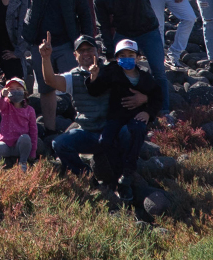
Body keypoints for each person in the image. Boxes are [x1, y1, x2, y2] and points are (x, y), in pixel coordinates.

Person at [9, 0, 94, 132]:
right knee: (46, 89)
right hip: (40, 47)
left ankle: (83, 125)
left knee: (76, 84)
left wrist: (88, 42)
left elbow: (85, 15)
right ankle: (50, 129)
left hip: (67, 45)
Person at [39, 33, 146, 178]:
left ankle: (126, 174)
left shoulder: (112, 71)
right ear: (75, 55)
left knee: (129, 130)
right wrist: (45, 58)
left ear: (98, 51)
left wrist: (144, 98)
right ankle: (86, 175)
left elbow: (142, 84)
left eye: (89, 49)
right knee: (59, 143)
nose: (86, 54)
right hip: (87, 132)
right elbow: (50, 81)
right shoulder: (73, 77)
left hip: (113, 130)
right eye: (81, 51)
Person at [92, 0, 170, 118]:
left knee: (158, 72)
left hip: (148, 31)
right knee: (120, 73)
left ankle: (164, 110)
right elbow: (103, 26)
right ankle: (127, 108)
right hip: (124, 36)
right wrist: (109, 51)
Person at [87, 38, 161, 200]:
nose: (127, 58)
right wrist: (93, 76)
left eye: (130, 55)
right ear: (116, 58)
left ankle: (127, 175)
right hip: (116, 116)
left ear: (138, 57)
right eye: (122, 55)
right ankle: (109, 176)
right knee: (104, 142)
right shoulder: (112, 73)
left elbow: (157, 97)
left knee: (138, 129)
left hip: (136, 117)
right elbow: (95, 90)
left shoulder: (145, 77)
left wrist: (148, 111)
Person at [0, 78, 38, 172]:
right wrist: (1, 94)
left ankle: (23, 163)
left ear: (24, 92)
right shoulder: (5, 107)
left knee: (26, 138)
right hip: (6, 145)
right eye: (11, 89)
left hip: (20, 145)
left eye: (18, 89)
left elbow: (33, 131)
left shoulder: (30, 110)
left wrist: (33, 151)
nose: (15, 91)